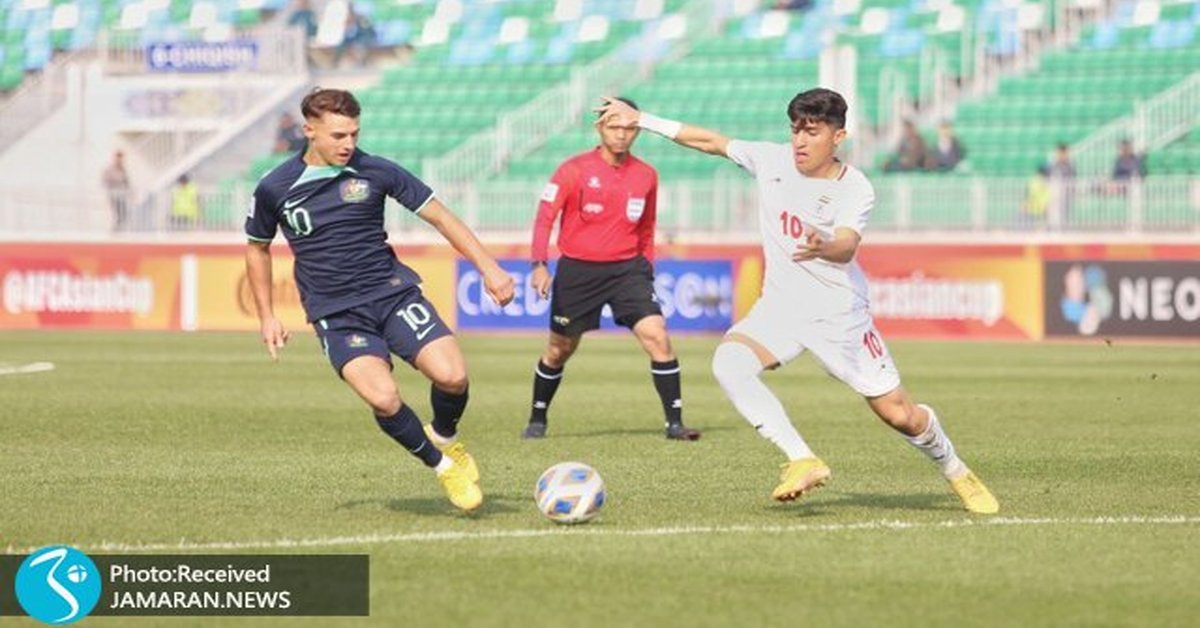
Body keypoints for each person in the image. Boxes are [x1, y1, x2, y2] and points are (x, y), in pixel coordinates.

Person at [596, 90, 999, 514]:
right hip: (781, 308)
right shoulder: (771, 161)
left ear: (838, 136)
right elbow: (710, 142)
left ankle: (955, 469)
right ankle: (802, 458)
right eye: (795, 130)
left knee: (901, 415)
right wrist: (643, 119)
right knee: (730, 364)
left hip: (838, 316)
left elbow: (847, 245)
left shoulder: (854, 187)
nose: (800, 142)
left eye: (812, 132)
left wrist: (825, 245)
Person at [244, 88, 515, 512]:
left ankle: (443, 433)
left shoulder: (375, 170)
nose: (348, 144)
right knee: (384, 398)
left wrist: (490, 268)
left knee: (453, 376)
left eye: (353, 133)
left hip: (391, 294)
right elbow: (257, 247)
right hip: (337, 313)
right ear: (309, 131)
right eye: (337, 135)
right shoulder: (275, 188)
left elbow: (441, 216)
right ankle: (442, 465)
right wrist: (267, 316)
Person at [522, 97, 701, 442]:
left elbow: (647, 227)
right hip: (578, 272)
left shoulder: (647, 175)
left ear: (637, 130)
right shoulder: (572, 170)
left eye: (629, 127)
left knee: (658, 337)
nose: (621, 134)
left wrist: (646, 268)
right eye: (614, 126)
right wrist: (539, 264)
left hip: (628, 272)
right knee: (559, 350)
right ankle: (537, 419)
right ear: (599, 128)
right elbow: (545, 219)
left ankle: (675, 424)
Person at [1048, 142, 1076, 228]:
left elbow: (1072, 177)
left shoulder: (1070, 165)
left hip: (1065, 191)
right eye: (1059, 153)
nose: (1062, 155)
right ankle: (1053, 227)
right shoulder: (1053, 164)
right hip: (1055, 191)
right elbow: (1050, 176)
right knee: (1054, 211)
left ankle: (1062, 227)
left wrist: (1072, 189)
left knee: (1064, 211)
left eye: (1064, 153)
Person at [102, 150, 131, 231]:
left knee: (123, 214)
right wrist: (115, 182)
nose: (120, 160)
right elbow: (105, 180)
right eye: (119, 158)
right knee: (118, 213)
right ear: (115, 158)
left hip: (122, 195)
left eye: (121, 158)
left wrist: (130, 192)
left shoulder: (123, 169)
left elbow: (127, 183)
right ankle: (115, 230)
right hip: (114, 194)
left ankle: (118, 229)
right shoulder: (110, 169)